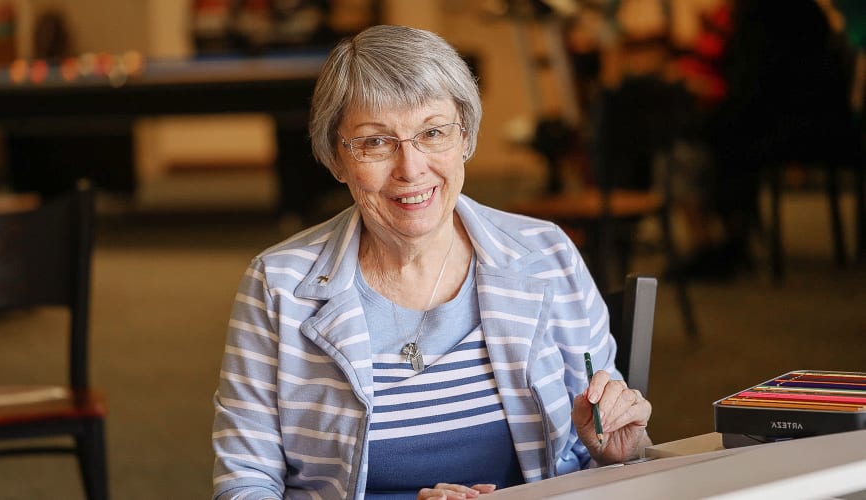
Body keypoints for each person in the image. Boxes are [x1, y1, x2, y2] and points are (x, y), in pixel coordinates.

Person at [212, 24, 652, 500]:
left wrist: (619, 454)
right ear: (337, 159)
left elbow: (608, 455)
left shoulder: (546, 255)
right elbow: (245, 484)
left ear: (465, 137)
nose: (410, 168)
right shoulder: (279, 285)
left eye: (433, 132)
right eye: (375, 142)